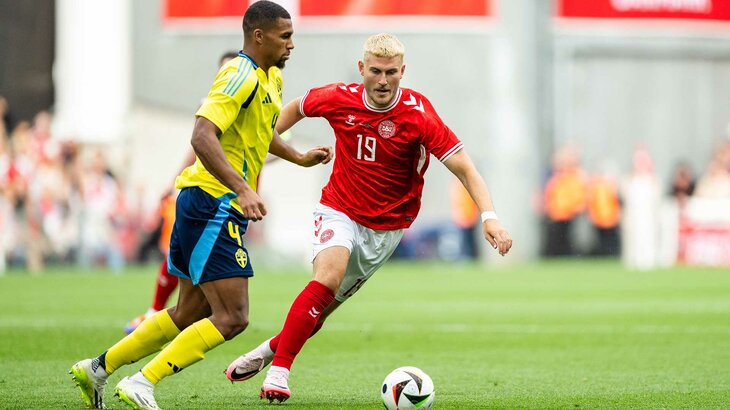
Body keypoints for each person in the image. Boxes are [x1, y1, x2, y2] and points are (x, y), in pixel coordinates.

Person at [69, 2, 333, 409]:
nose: (292, 44)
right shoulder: (239, 73)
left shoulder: (271, 79)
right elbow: (202, 135)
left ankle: (97, 368)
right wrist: (243, 189)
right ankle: (143, 381)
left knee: (188, 311)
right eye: (285, 36)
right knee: (233, 317)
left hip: (209, 203)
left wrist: (298, 157)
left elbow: (261, 133)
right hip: (213, 203)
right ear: (258, 36)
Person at [225, 33, 513, 403]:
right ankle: (279, 374)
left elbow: (465, 168)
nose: (382, 80)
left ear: (402, 71)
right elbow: (297, 106)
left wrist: (490, 217)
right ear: (362, 68)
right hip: (339, 209)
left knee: (321, 312)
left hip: (386, 230)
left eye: (391, 72)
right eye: (375, 71)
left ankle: (266, 352)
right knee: (327, 277)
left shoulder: (418, 114)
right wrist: (267, 141)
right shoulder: (337, 97)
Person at [123, 51, 240, 335]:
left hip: (237, 198)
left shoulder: (256, 104)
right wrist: (173, 179)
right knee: (183, 256)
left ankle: (194, 314)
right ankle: (157, 314)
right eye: (223, 70)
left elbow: (271, 143)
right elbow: (198, 144)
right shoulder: (212, 104)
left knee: (207, 267)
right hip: (206, 195)